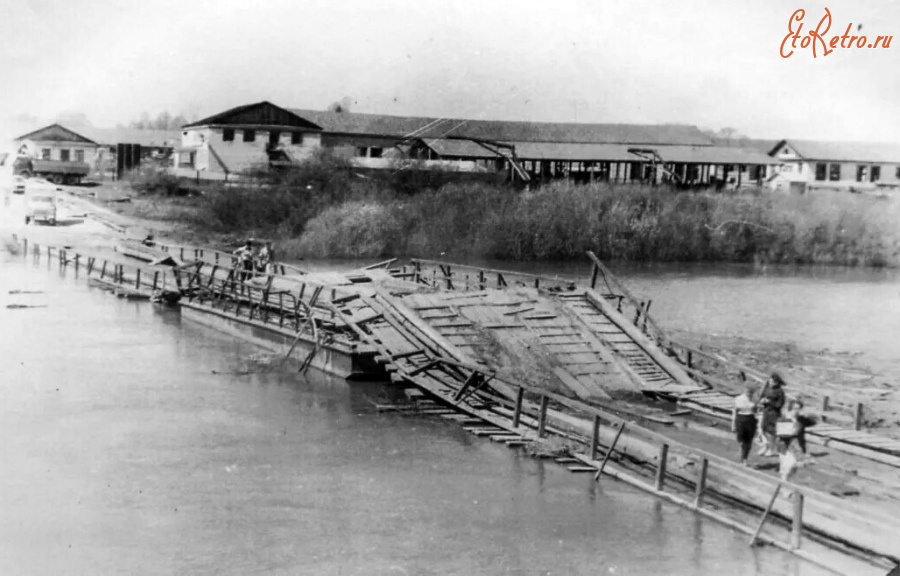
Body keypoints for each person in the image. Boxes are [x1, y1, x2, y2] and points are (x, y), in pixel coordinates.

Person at [758, 372, 786, 457]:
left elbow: (780, 404)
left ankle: (771, 449)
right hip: (766, 411)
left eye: (773, 381)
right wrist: (762, 401)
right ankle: (765, 446)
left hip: (774, 413)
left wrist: (770, 402)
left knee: (771, 431)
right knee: (763, 429)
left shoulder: (780, 391)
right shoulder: (767, 387)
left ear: (777, 382)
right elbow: (762, 396)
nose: (771, 382)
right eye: (770, 381)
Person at [731, 383, 758, 466]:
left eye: (751, 392)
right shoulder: (739, 399)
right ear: (745, 390)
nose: (749, 393)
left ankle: (745, 458)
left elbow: (756, 412)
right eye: (748, 391)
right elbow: (734, 411)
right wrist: (733, 423)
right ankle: (741, 454)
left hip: (751, 419)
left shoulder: (755, 399)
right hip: (741, 419)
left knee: (749, 442)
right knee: (741, 441)